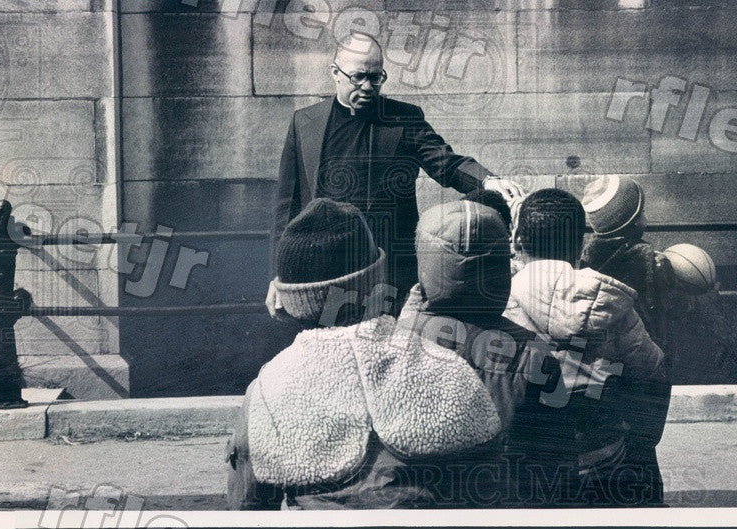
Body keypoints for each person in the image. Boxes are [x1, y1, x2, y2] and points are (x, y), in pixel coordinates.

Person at [228, 197, 555, 509]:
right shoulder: (451, 370)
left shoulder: (265, 393)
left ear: (287, 299)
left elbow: (247, 506)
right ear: (376, 280)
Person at [270, 31, 522, 312]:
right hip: (325, 274)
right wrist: (279, 276)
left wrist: (487, 180)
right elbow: (286, 208)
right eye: (358, 77)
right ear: (335, 73)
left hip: (390, 274)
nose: (368, 86)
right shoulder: (303, 122)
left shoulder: (404, 118)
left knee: (387, 337)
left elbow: (445, 162)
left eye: (376, 77)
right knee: (331, 337)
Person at [502, 188, 667, 506]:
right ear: (580, 245)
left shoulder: (499, 299)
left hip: (529, 470)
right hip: (606, 459)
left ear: (518, 242)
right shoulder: (608, 301)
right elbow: (653, 373)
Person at [579, 175, 677, 506]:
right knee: (643, 444)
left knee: (616, 439)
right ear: (635, 219)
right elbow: (667, 311)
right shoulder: (650, 260)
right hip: (644, 360)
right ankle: (649, 504)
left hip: (603, 366)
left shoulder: (586, 256)